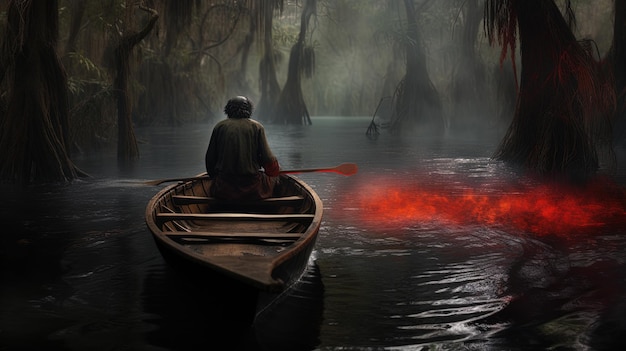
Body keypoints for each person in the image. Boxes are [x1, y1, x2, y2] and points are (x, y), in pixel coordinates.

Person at [205, 96, 280, 200]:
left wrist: (215, 178)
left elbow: (210, 160)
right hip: (253, 190)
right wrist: (275, 173)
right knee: (275, 176)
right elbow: (269, 161)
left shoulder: (219, 127)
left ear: (228, 110)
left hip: (223, 190)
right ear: (249, 109)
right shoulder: (257, 127)